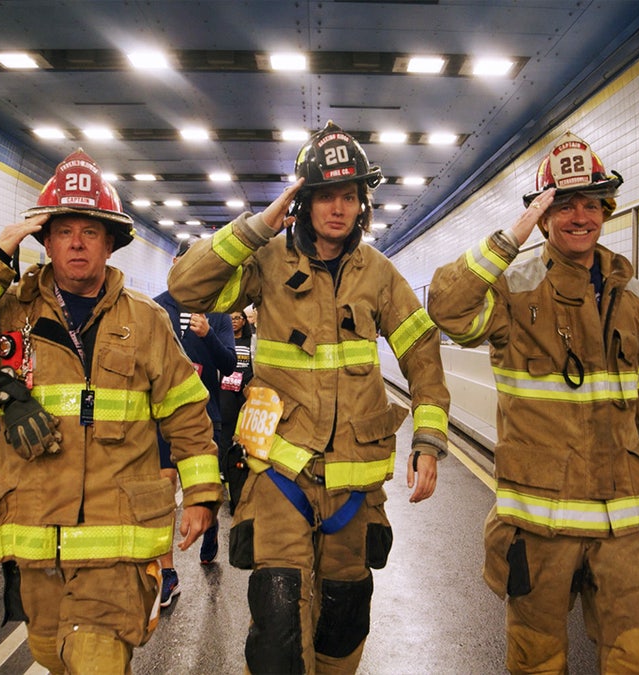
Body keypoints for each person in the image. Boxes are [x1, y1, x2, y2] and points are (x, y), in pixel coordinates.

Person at [0, 148, 222, 674]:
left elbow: (187, 412)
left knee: (96, 659)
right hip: (39, 547)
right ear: (47, 241)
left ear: (110, 243)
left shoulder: (146, 321)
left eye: (90, 231)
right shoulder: (8, 314)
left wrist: (202, 493)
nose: (77, 243)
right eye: (64, 231)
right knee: (52, 656)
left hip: (117, 547)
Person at [168, 121, 451, 674]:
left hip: (353, 487)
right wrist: (257, 227)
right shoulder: (267, 262)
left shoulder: (380, 275)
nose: (338, 209)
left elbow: (421, 350)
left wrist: (428, 437)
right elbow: (188, 286)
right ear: (303, 200)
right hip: (279, 476)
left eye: (349, 196)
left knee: (341, 627)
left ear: (363, 204)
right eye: (325, 196)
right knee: (277, 631)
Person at [427, 131, 639, 673]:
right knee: (536, 661)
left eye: (591, 203)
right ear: (543, 218)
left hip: (625, 526)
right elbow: (447, 308)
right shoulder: (513, 290)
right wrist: (510, 236)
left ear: (607, 210)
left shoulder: (633, 295)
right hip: (540, 524)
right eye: (564, 205)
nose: (580, 217)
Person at [153, 239, 236, 603]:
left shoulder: (218, 313)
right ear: (176, 264)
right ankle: (167, 572)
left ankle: (211, 523)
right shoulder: (155, 308)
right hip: (162, 416)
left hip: (206, 414)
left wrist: (208, 335)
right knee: (163, 488)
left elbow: (229, 365)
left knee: (204, 489)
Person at [217, 308, 255, 514]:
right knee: (226, 430)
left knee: (245, 432)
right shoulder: (224, 339)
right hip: (226, 389)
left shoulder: (252, 341)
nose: (233, 321)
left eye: (238, 318)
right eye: (230, 318)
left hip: (246, 390)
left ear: (244, 321)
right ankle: (223, 469)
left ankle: (245, 469)